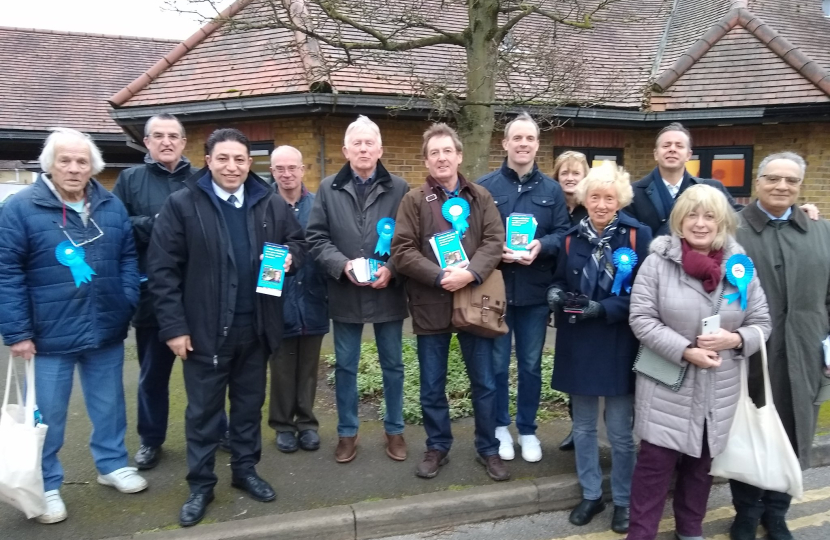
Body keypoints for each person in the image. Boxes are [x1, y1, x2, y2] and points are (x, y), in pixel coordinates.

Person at [148, 128, 305, 527]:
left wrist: (291, 258)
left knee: (249, 408)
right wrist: (173, 328)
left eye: (239, 159)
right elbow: (162, 272)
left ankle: (245, 470)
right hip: (203, 333)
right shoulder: (182, 205)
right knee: (203, 414)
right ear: (208, 161)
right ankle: (201, 485)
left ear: (250, 163)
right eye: (223, 159)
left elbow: (299, 241)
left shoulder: (269, 203)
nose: (232, 166)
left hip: (256, 329)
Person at [0, 128, 146, 524]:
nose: (73, 168)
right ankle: (46, 484)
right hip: (48, 334)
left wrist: (126, 297)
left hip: (105, 327)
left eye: (82, 161)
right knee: (47, 416)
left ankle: (112, 465)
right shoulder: (19, 208)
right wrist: (17, 333)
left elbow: (128, 257)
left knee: (109, 404)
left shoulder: (110, 206)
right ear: (50, 164)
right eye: (65, 160)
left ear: (93, 167)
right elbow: (6, 272)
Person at [626, 184, 771, 540]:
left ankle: (690, 531)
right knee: (653, 469)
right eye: (692, 214)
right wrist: (685, 350)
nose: (701, 223)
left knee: (701, 469)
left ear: (722, 222)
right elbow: (642, 319)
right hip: (666, 384)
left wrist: (735, 339)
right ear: (679, 220)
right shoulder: (657, 263)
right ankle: (641, 533)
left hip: (718, 387)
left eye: (710, 216)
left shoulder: (741, 267)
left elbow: (762, 323)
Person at [392, 123, 509, 482]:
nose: (441, 158)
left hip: (476, 302)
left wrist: (470, 273)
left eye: (447, 151)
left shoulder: (480, 197)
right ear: (426, 160)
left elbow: (494, 239)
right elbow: (401, 250)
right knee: (431, 384)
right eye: (434, 153)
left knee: (485, 382)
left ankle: (488, 448)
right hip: (431, 303)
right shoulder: (413, 200)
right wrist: (440, 275)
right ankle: (437, 446)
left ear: (459, 156)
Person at [112, 114, 229, 470]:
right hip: (154, 297)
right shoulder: (130, 180)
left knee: (210, 371)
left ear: (183, 142)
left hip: (201, 296)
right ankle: (151, 439)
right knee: (152, 375)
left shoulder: (201, 179)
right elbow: (118, 227)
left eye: (173, 136)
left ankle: (217, 429)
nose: (166, 142)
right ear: (146, 142)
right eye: (158, 136)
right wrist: (159, 223)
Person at [729, 152, 830, 540]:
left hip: (804, 352)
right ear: (758, 181)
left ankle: (776, 511)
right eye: (774, 178)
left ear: (800, 186)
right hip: (749, 352)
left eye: (791, 181)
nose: (782, 187)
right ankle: (746, 510)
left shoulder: (821, 232)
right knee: (749, 430)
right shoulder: (733, 230)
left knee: (790, 429)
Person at [546, 162, 652, 534]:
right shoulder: (572, 238)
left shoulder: (639, 236)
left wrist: (602, 308)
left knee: (621, 432)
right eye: (595, 196)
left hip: (618, 340)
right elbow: (559, 278)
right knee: (585, 427)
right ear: (585, 199)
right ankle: (591, 494)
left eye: (609, 197)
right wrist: (555, 293)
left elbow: (645, 297)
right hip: (579, 341)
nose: (602, 204)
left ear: (620, 199)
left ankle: (623, 500)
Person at [306, 115, 410, 464]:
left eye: (370, 143)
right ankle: (347, 434)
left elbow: (409, 241)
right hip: (345, 294)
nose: (363, 149)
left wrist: (393, 270)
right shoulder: (327, 189)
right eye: (357, 143)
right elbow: (316, 238)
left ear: (380, 149)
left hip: (387, 292)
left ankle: (395, 430)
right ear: (345, 150)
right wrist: (342, 265)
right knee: (346, 367)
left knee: (393, 366)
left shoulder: (400, 188)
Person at [477, 113, 570, 463]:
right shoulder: (485, 187)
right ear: (505, 143)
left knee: (530, 364)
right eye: (517, 138)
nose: (523, 144)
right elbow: (475, 234)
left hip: (534, 292)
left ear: (536, 145)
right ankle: (501, 427)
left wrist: (540, 247)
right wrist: (494, 248)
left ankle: (527, 429)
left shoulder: (551, 190)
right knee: (497, 364)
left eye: (529, 138)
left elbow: (563, 233)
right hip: (497, 291)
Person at [268, 145, 329, 454]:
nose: (287, 174)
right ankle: (282, 424)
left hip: (313, 297)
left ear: (303, 169)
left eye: (292, 167)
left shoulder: (318, 205)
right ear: (272, 171)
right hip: (276, 300)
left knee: (308, 366)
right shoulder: (263, 206)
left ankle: (306, 423)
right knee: (280, 366)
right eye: (280, 169)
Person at [626, 123, 742, 237]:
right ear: (656, 154)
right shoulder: (633, 193)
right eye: (666, 145)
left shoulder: (712, 189)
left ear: (688, 155)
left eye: (679, 146)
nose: (672, 149)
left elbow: (740, 218)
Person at [551, 149, 592, 451]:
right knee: (567, 360)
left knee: (584, 359)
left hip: (585, 294)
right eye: (564, 171)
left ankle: (584, 429)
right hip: (555, 289)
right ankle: (575, 426)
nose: (569, 177)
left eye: (575, 172)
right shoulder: (552, 205)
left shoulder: (590, 209)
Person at [553, 150, 590, 225]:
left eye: (576, 173)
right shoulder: (551, 207)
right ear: (557, 177)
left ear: (585, 177)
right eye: (564, 173)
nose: (570, 178)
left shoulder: (592, 207)